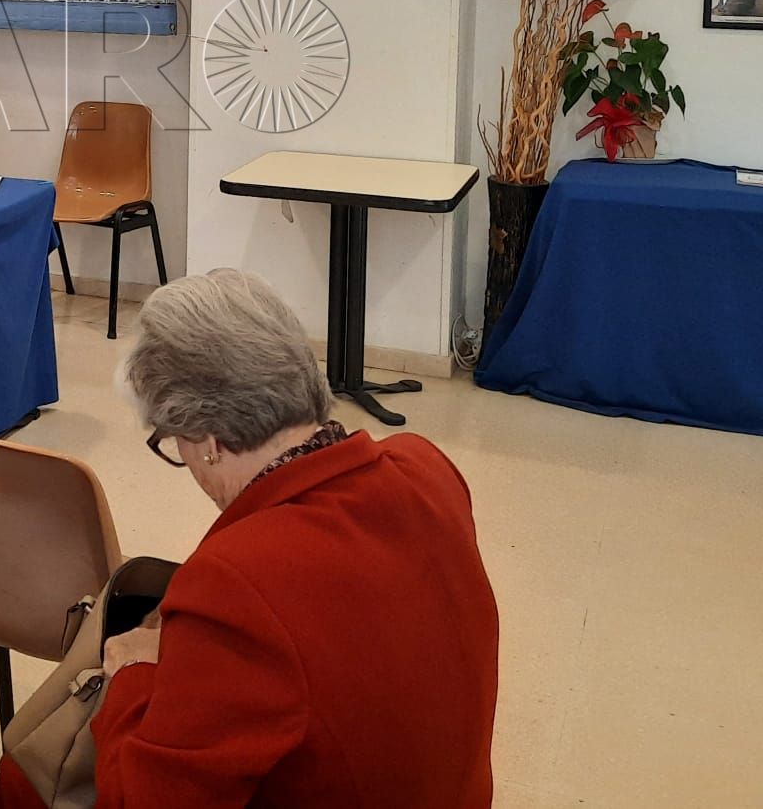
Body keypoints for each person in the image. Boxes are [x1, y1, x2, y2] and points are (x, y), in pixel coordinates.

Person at [79, 269, 498, 809]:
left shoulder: (234, 584)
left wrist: (135, 671)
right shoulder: (426, 466)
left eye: (172, 440)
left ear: (206, 439)